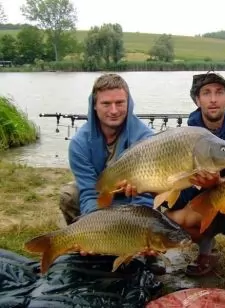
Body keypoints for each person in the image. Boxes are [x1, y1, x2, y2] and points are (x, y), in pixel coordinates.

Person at [163, 71, 225, 293]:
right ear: (197, 100)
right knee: (166, 217)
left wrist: (218, 180)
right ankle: (206, 250)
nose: (213, 99)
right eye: (206, 93)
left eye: (219, 92)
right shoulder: (190, 129)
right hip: (200, 202)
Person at [59, 73, 163, 270]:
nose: (114, 110)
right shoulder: (79, 144)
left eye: (119, 103)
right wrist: (96, 229)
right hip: (101, 199)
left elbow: (147, 195)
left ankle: (149, 254)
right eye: (106, 104)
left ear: (129, 103)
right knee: (69, 194)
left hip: (135, 202)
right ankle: (87, 243)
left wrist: (140, 235)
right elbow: (89, 192)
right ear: (94, 105)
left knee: (158, 200)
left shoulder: (146, 139)